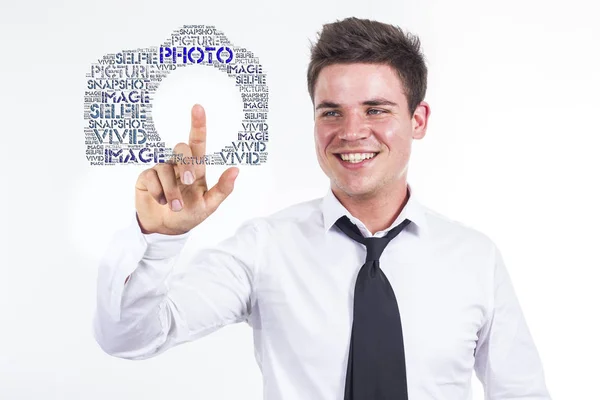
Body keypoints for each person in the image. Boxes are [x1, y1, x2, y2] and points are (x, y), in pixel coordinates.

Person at [93, 17, 552, 399]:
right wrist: (158, 242)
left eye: (376, 110)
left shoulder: (475, 258)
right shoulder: (264, 248)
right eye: (331, 111)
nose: (351, 132)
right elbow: (130, 338)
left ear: (418, 120)